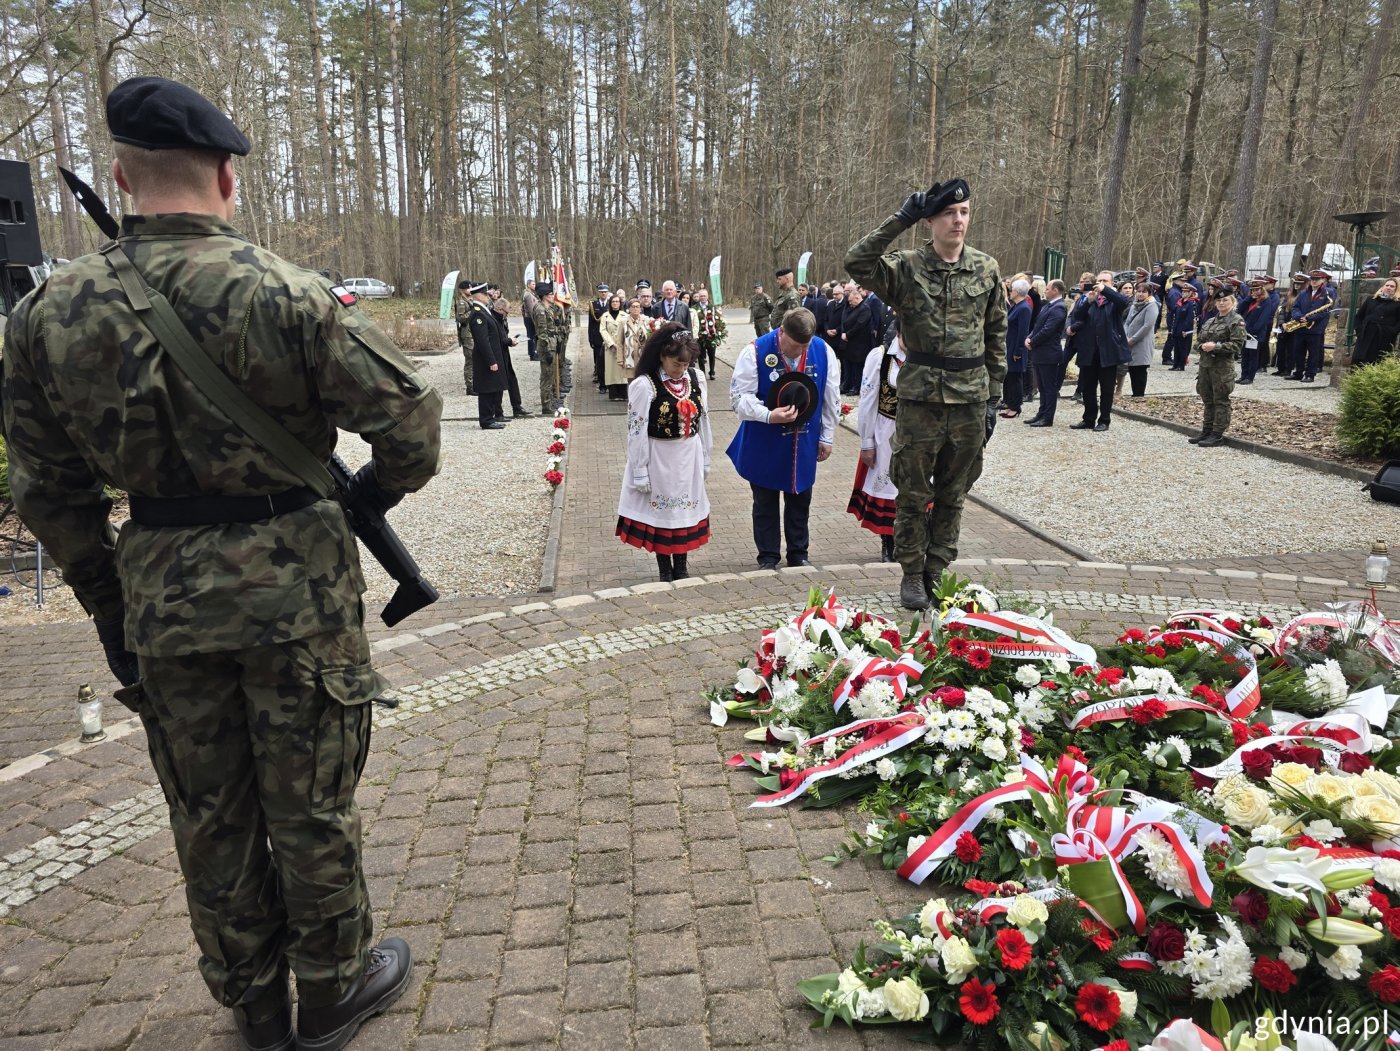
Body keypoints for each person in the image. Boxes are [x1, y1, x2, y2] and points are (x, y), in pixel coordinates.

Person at [0, 76, 439, 1051]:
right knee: (310, 803)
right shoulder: (286, 292)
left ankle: (255, 1005)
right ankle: (332, 986)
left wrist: (109, 602)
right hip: (299, 599)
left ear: (123, 177)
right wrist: (365, 497)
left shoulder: (47, 313)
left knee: (208, 810)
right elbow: (410, 423)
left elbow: (47, 491)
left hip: (162, 603)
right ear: (227, 177)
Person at [845, 177, 1007, 611]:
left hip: (970, 399)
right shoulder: (906, 267)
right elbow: (857, 262)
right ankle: (912, 573)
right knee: (913, 493)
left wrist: (993, 397)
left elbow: (996, 333)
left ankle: (937, 569)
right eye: (949, 213)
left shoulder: (986, 268)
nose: (958, 220)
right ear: (930, 220)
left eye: (965, 212)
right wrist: (901, 218)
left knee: (955, 491)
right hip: (920, 400)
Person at [727, 308, 840, 570]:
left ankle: (799, 554)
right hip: (764, 438)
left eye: (805, 346)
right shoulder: (754, 352)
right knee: (765, 500)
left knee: (800, 498)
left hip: (804, 440)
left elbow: (831, 396)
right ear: (781, 332)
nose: (800, 351)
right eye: (794, 345)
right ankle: (768, 556)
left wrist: (827, 437)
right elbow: (739, 400)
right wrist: (769, 415)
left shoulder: (824, 351)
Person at [617, 324, 713, 581]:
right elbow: (636, 429)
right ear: (661, 356)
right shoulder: (645, 385)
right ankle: (664, 571)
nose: (680, 369)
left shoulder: (696, 378)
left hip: (688, 455)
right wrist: (639, 469)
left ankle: (681, 568)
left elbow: (704, 419)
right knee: (663, 512)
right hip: (659, 456)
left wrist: (706, 456)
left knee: (683, 511)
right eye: (675, 364)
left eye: (685, 364)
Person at [847, 325, 904, 561]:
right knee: (889, 488)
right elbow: (868, 401)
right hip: (886, 433)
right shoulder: (880, 357)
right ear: (899, 334)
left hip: (918, 433)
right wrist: (867, 441)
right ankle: (889, 544)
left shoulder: (925, 353)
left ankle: (913, 544)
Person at [1070, 270, 1130, 432]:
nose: (1101, 283)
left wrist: (1105, 290)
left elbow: (1124, 302)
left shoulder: (1114, 300)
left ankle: (1104, 420)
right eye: (1099, 280)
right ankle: (1088, 419)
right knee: (1088, 388)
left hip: (1108, 351)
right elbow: (1078, 316)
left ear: (1111, 284)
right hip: (1089, 350)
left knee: (1107, 389)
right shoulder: (1090, 298)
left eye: (1105, 281)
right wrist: (1088, 302)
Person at [1191, 290, 1246, 448]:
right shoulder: (1210, 321)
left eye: (1225, 300)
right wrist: (1202, 346)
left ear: (1232, 302)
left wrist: (1216, 347)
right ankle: (1206, 430)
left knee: (1220, 400)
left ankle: (1217, 434)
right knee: (1207, 399)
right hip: (1206, 366)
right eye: (1218, 301)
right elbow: (1198, 342)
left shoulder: (1236, 321)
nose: (1221, 303)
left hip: (1222, 368)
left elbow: (1237, 345)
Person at [460, 280, 509, 429]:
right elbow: (482, 341)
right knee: (487, 389)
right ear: (477, 296)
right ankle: (486, 419)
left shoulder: (483, 310)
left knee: (492, 386)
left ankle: (491, 417)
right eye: (485, 294)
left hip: (493, 355)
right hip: (485, 358)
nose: (488, 296)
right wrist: (491, 360)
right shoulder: (477, 313)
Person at [1024, 279, 1068, 427]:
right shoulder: (1048, 305)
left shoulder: (1059, 307)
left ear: (1055, 290)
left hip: (1049, 353)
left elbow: (1048, 330)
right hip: (1040, 353)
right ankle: (1041, 413)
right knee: (1042, 387)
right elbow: (1038, 326)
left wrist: (1032, 341)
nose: (1045, 291)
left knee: (1049, 388)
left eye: (1048, 289)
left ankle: (1048, 417)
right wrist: (1029, 337)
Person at [1287, 269, 1337, 382]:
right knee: (1298, 351)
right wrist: (1298, 316)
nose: (1314, 281)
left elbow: (1326, 311)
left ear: (1323, 280)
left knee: (1313, 353)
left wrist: (1309, 318)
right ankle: (1298, 372)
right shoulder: (1303, 292)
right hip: (1301, 326)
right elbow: (1295, 307)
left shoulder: (1328, 293)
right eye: (1312, 279)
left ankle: (1310, 374)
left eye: (1317, 279)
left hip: (1316, 328)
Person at [531, 280, 564, 413]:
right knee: (547, 376)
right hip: (546, 346)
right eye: (550, 294)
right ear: (544, 296)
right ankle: (546, 405)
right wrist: (546, 350)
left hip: (552, 344)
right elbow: (542, 332)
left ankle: (551, 400)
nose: (552, 296)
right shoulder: (540, 310)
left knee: (552, 375)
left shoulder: (548, 308)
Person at [1121, 281, 1158, 398]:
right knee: (1132, 369)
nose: (1140, 294)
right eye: (1138, 291)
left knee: (1140, 370)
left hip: (1141, 343)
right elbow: (1127, 322)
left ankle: (1139, 395)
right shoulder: (1134, 305)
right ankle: (1135, 395)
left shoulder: (1152, 306)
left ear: (1149, 294)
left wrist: (1133, 339)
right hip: (1129, 342)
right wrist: (1126, 336)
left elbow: (1147, 326)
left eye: (1144, 292)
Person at [838, 285, 876, 395]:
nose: (850, 303)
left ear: (857, 298)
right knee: (849, 365)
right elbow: (846, 321)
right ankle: (847, 385)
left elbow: (859, 325)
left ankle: (856, 387)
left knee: (857, 367)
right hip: (850, 343)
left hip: (859, 343)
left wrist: (847, 335)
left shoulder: (865, 308)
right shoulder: (854, 307)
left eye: (851, 301)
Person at [1001, 278, 1031, 417]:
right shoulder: (1016, 306)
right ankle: (1009, 403)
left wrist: (1018, 351)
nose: (1010, 291)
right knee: (1009, 377)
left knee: (1015, 378)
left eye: (1012, 289)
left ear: (1017, 292)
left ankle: (1015, 407)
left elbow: (1023, 331)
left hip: (1016, 348)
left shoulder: (1024, 308)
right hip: (1010, 346)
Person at [1238, 277, 1278, 383]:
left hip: (1255, 334)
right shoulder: (1250, 300)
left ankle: (1249, 377)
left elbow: (1263, 319)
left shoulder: (1266, 301)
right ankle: (1243, 375)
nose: (1254, 292)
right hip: (1245, 332)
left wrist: (1252, 330)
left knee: (1253, 356)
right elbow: (1239, 309)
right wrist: (1248, 299)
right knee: (1245, 355)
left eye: (1257, 290)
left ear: (1262, 289)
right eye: (1252, 290)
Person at [1353, 278, 1400, 366]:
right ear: (1383, 287)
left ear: (1396, 289)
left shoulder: (1397, 303)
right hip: (1365, 335)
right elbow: (1359, 317)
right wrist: (1359, 330)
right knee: (1359, 361)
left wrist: (1391, 331)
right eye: (1387, 285)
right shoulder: (1371, 299)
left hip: (1384, 338)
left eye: (1392, 286)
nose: (1389, 288)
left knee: (1378, 362)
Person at [1272, 273, 1308, 376]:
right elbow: (1282, 310)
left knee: (1291, 349)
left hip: (1295, 325)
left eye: (1299, 283)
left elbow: (1302, 312)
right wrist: (1282, 323)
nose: (1296, 285)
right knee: (1281, 348)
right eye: (1295, 283)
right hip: (1285, 324)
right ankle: (1281, 368)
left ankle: (1288, 369)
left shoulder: (1305, 296)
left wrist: (1292, 323)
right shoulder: (1289, 294)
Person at [1166, 277, 1201, 371]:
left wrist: (1186, 330)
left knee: (1183, 348)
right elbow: (1175, 315)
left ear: (1190, 293)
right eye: (1183, 291)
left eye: (1186, 292)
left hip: (1185, 330)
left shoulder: (1192, 303)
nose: (1183, 293)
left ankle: (1181, 365)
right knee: (1176, 347)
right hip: (1177, 328)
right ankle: (1175, 364)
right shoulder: (1180, 302)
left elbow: (1190, 319)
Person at [691, 287, 726, 380]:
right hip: (700, 337)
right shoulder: (694, 308)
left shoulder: (713, 307)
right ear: (699, 297)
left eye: (704, 296)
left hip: (711, 336)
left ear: (707, 296)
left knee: (712, 355)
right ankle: (702, 373)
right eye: (701, 296)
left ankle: (712, 372)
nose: (703, 298)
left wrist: (719, 332)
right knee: (701, 356)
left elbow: (719, 320)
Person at [599, 292, 628, 399]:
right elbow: (602, 330)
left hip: (622, 345)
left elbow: (628, 330)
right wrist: (611, 343)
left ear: (620, 303)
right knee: (611, 371)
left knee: (622, 370)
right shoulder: (605, 316)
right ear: (610, 303)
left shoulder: (625, 315)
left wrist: (622, 343)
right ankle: (613, 394)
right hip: (610, 346)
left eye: (617, 301)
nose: (615, 303)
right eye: (613, 302)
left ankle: (623, 394)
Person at [619, 297, 650, 386]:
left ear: (640, 308)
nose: (635, 309)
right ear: (629, 309)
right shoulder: (623, 322)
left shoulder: (646, 321)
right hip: (629, 356)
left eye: (637, 306)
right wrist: (620, 359)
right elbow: (620, 342)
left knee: (643, 380)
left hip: (642, 356)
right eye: (633, 307)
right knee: (631, 382)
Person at [588, 283, 610, 392]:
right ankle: (602, 385)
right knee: (599, 362)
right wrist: (590, 338)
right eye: (601, 292)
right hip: (597, 337)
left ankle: (610, 383)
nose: (603, 294)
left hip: (609, 337)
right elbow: (591, 323)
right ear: (599, 293)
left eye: (605, 292)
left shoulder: (611, 304)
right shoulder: (593, 304)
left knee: (609, 362)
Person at [522, 278, 539, 361]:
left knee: (533, 335)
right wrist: (535, 320)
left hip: (530, 317)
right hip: (529, 318)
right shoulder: (528, 295)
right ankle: (532, 354)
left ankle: (534, 352)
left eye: (535, 284)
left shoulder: (531, 294)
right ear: (528, 285)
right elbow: (531, 309)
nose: (534, 285)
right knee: (531, 336)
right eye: (533, 284)